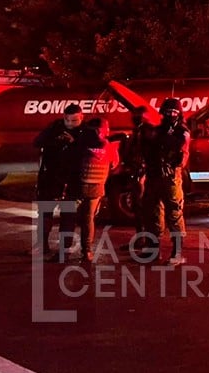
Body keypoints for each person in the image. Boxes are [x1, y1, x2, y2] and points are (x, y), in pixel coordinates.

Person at [139, 98, 190, 266]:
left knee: (174, 214)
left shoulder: (181, 131)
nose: (170, 115)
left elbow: (177, 145)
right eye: (167, 112)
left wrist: (157, 135)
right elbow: (146, 149)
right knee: (153, 213)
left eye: (173, 113)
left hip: (171, 178)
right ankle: (153, 251)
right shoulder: (157, 130)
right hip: (154, 176)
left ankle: (177, 253)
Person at [33, 103, 83, 261]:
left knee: (68, 216)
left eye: (74, 120)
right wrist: (55, 140)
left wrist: (74, 143)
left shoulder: (85, 132)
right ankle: (42, 245)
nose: (70, 123)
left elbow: (89, 150)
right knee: (45, 213)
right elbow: (38, 142)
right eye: (67, 119)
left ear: (81, 117)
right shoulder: (55, 127)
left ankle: (64, 251)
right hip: (51, 179)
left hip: (72, 180)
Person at [74, 118, 118, 264]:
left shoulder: (80, 144)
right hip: (97, 186)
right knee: (89, 218)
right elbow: (114, 164)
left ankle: (84, 249)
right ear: (102, 130)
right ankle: (86, 250)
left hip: (82, 184)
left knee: (84, 217)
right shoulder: (110, 146)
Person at [111, 109, 152, 250]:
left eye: (138, 116)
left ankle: (146, 241)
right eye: (134, 116)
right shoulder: (138, 132)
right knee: (137, 208)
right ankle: (141, 239)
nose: (135, 118)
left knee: (142, 208)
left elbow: (146, 154)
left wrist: (143, 173)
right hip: (136, 173)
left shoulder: (147, 132)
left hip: (142, 174)